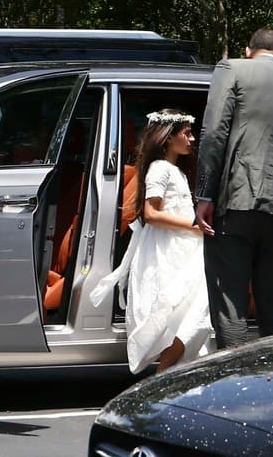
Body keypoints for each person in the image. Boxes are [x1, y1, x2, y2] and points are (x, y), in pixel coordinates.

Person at [194, 28, 273, 349]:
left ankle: (235, 376)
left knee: (230, 303)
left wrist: (204, 194)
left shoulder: (231, 69)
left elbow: (213, 134)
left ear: (248, 51)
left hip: (237, 199)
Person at [90, 109, 214, 374]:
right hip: (169, 250)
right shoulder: (159, 169)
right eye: (186, 133)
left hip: (186, 247)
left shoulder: (176, 171)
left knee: (193, 312)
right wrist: (194, 225)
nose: (192, 139)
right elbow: (151, 214)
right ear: (168, 138)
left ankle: (170, 372)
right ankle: (163, 374)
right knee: (185, 313)